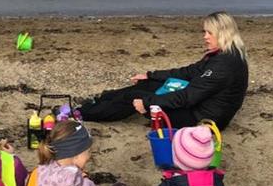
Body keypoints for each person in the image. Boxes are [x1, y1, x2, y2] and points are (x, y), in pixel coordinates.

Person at [77, 11, 249, 130]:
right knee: (149, 84)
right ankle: (101, 100)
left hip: (202, 120)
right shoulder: (224, 55)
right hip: (200, 106)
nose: (205, 37)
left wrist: (147, 103)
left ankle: (82, 114)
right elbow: (189, 72)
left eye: (209, 33)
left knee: (135, 97)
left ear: (223, 34)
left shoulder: (223, 65)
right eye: (205, 32)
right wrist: (151, 75)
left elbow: (187, 98)